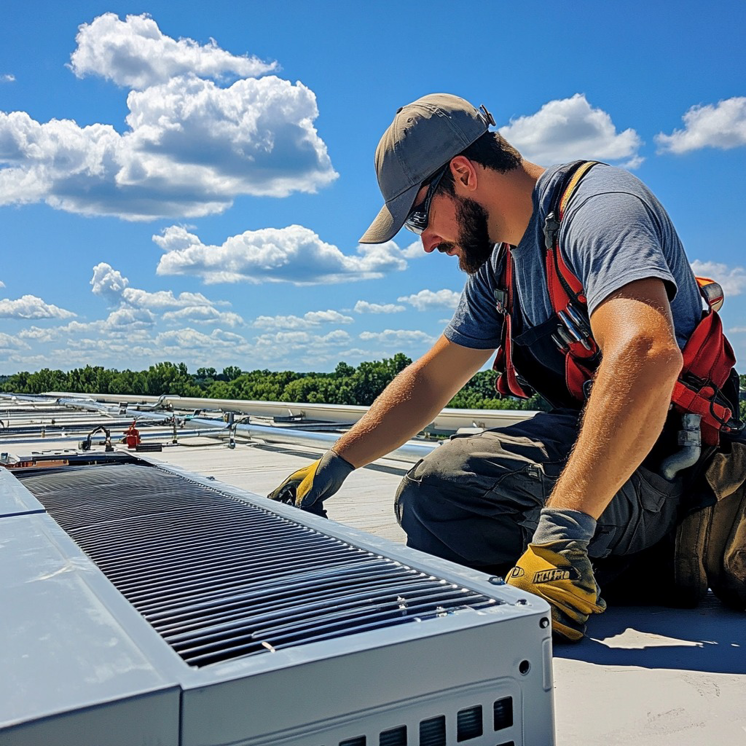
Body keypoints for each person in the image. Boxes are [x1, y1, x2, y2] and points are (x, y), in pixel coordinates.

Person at [269, 94, 745, 641]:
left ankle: (664, 537)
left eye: (420, 217)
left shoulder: (600, 209)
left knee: (449, 486)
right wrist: (334, 464)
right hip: (600, 455)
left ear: (464, 173)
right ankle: (641, 563)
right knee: (431, 500)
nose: (425, 242)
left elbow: (646, 355)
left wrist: (561, 531)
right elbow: (431, 380)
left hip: (666, 462)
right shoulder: (504, 268)